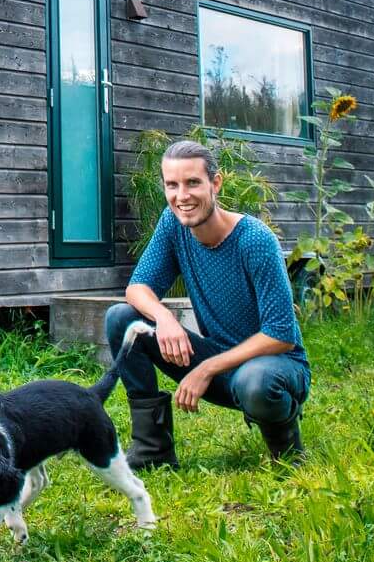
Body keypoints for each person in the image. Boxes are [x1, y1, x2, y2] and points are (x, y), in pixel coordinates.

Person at [104, 140, 310, 467]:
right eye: (172, 185)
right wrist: (165, 317)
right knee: (123, 319)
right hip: (220, 360)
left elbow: (280, 335)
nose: (181, 196)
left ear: (215, 184)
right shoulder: (173, 224)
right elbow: (137, 288)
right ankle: (152, 450)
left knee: (255, 382)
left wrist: (206, 368)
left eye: (193, 183)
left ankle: (288, 454)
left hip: (276, 367)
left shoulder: (255, 240)